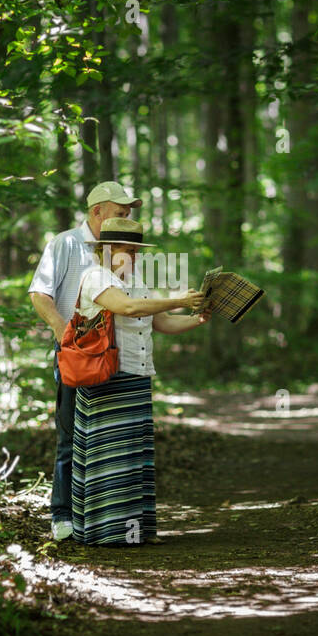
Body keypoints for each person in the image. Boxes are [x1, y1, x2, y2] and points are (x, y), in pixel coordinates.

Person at [69, 217, 208, 546]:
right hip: (106, 377)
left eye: (135, 251)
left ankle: (134, 533)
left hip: (137, 375)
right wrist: (179, 299)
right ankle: (105, 533)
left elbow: (161, 322)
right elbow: (127, 307)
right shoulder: (94, 277)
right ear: (106, 250)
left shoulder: (137, 281)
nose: (133, 258)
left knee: (133, 456)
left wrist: (198, 318)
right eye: (127, 251)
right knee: (109, 455)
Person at [28, 181, 139, 541]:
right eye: (121, 211)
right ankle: (62, 514)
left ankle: (101, 516)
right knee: (69, 435)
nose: (127, 216)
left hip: (116, 359)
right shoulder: (65, 243)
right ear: (97, 211)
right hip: (77, 359)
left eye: (128, 212)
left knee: (105, 438)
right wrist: (64, 332)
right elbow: (39, 292)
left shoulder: (122, 246)